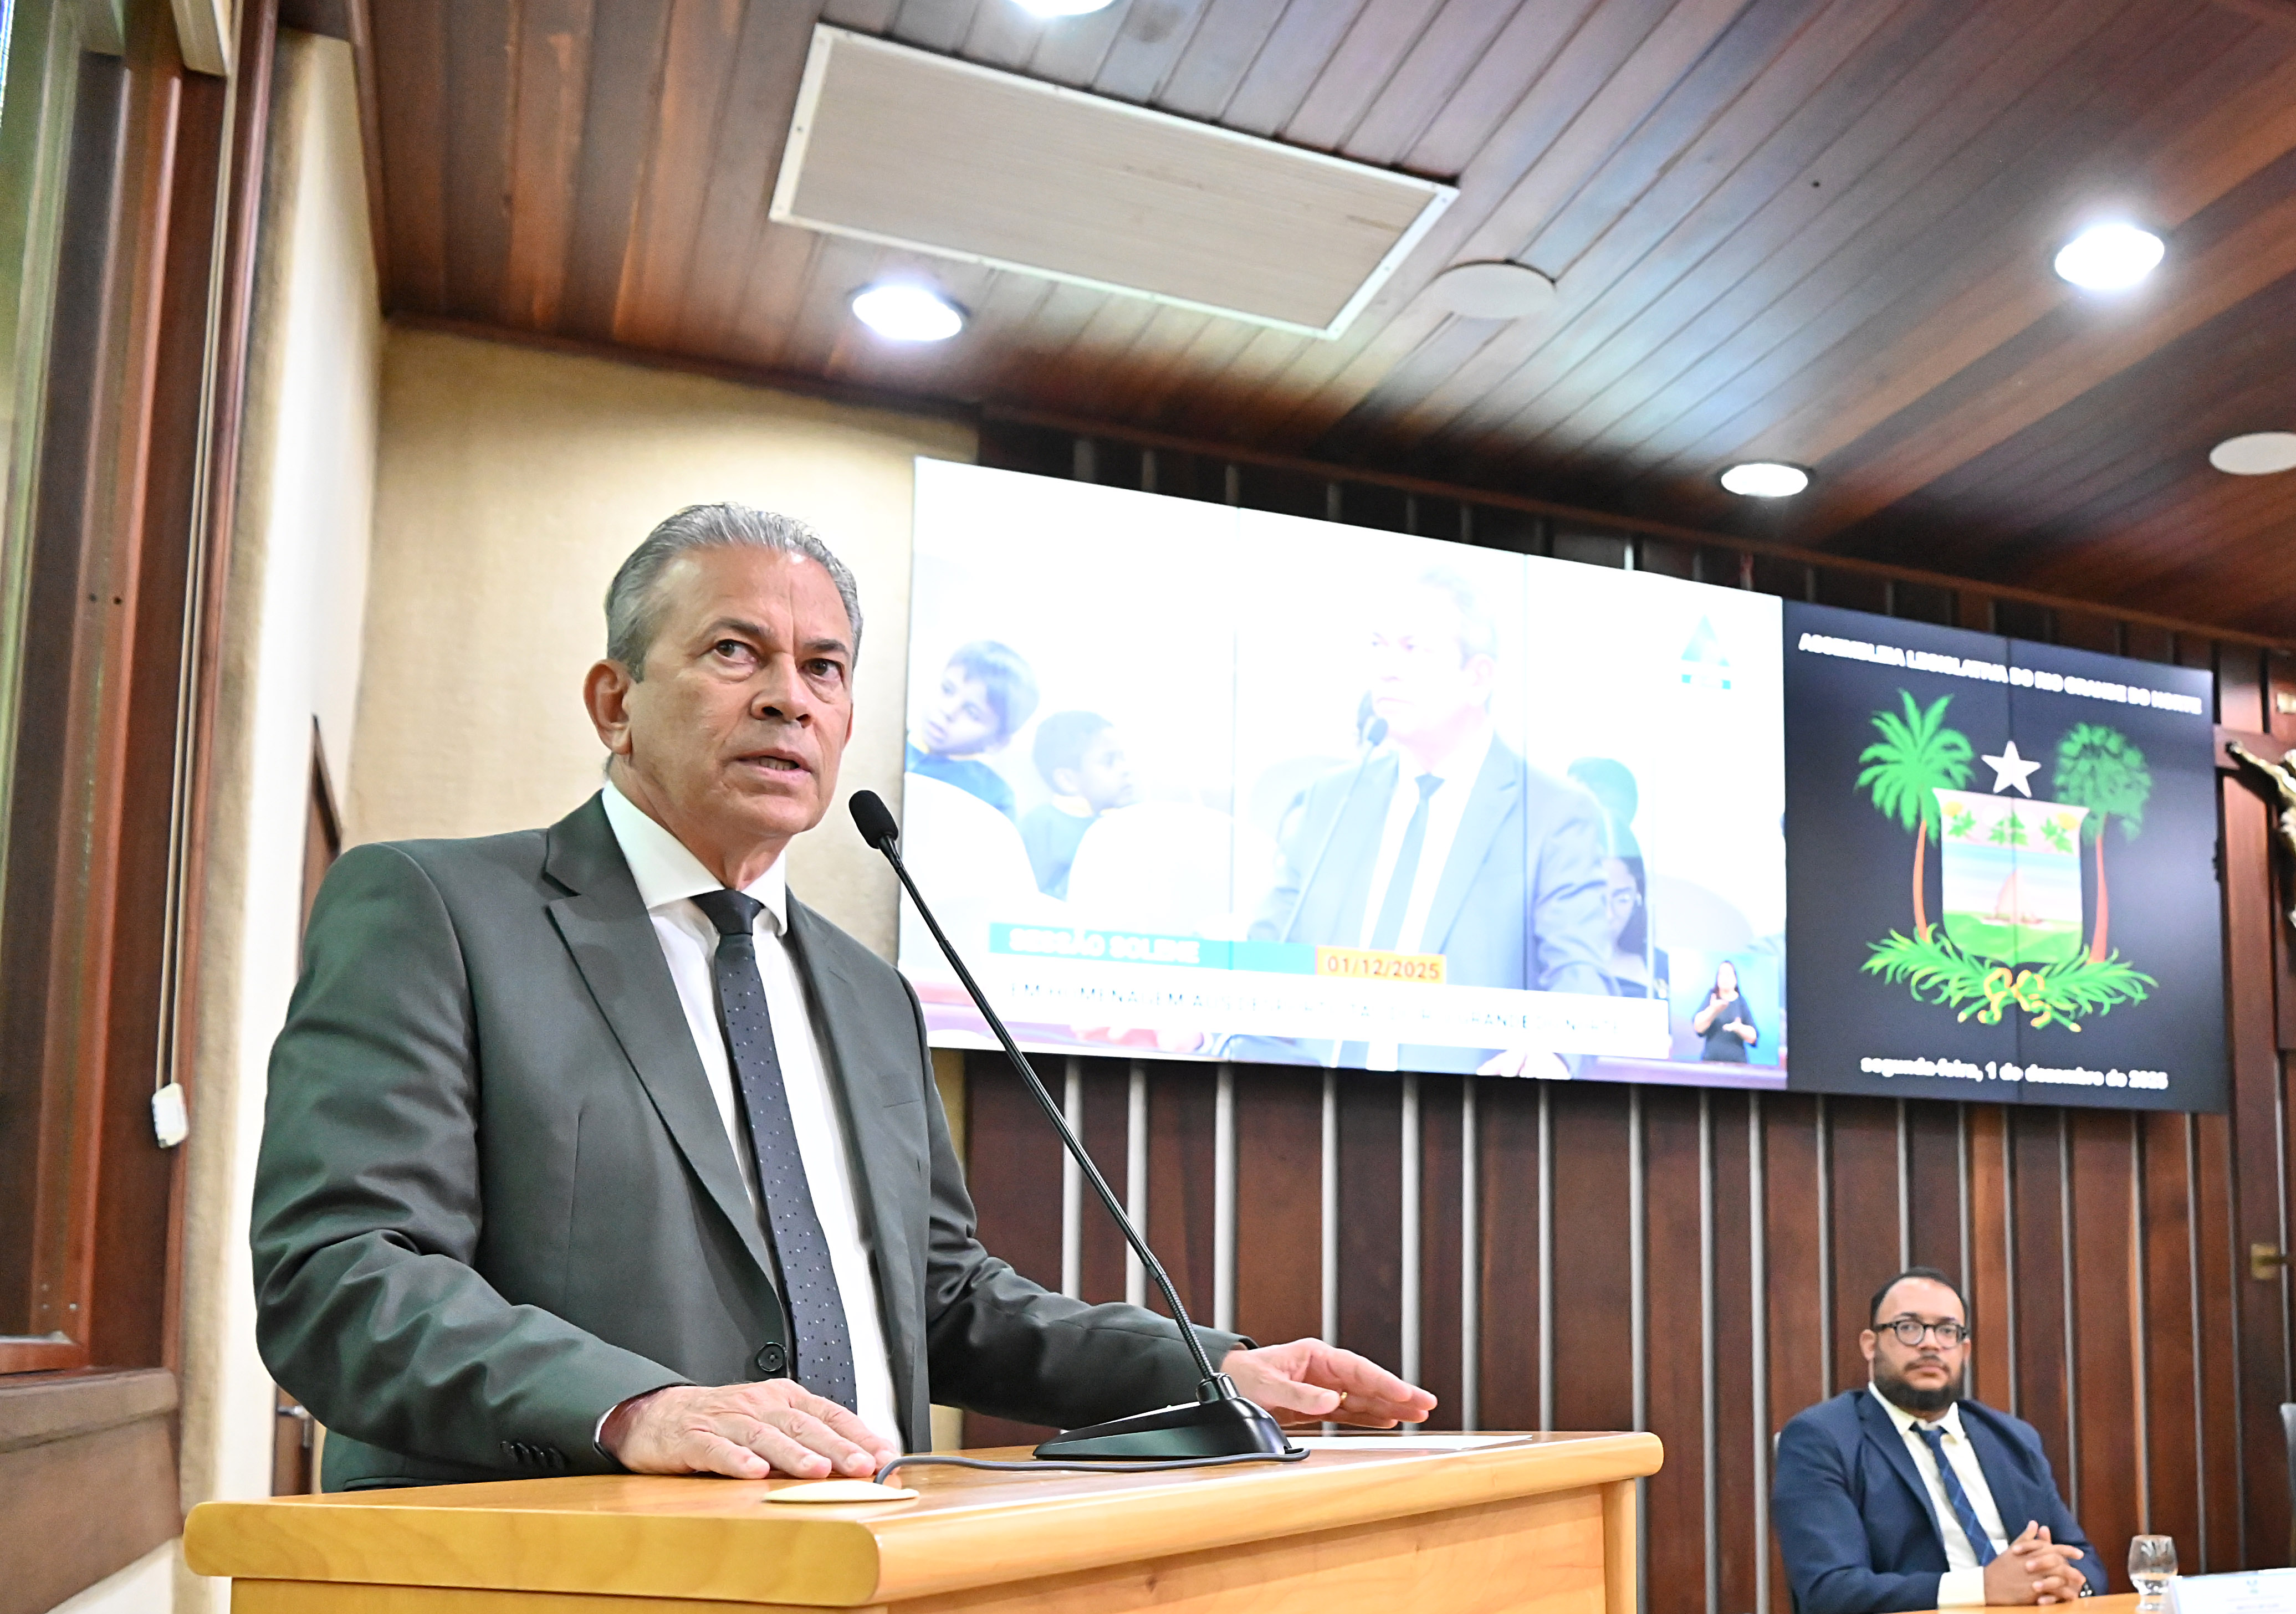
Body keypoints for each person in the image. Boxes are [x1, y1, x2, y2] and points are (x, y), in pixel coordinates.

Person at [254, 503, 1431, 1490]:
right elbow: (342, 1273)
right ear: (615, 702)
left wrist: (1210, 1369)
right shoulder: (439, 911)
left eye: (823, 668)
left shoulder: (871, 994)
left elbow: (944, 1299)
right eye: (735, 653)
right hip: (550, 1592)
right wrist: (633, 1406)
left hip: (857, 1577)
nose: (789, 698)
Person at [1239, 570, 1608, 1072]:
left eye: (1414, 649)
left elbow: (1579, 975)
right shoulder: (1333, 798)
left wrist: (1553, 1056)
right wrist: (1206, 1018)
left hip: (1467, 1105)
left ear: (1477, 677)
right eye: (1378, 646)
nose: (1387, 669)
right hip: (1308, 1102)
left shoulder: (1553, 813)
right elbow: (1269, 950)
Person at [1770, 1270, 2106, 1614]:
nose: (1931, 1343)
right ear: (1871, 1344)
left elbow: (2084, 1559)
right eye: (1909, 1327)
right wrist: (1983, 1588)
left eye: (1948, 1331)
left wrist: (2067, 1579)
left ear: (1965, 1350)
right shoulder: (1824, 1438)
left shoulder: (2011, 1438)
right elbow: (1830, 1592)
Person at [908, 639, 1038, 817]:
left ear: (998, 742)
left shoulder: (995, 797)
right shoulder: (886, 742)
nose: (947, 710)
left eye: (972, 713)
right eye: (947, 690)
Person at [1019, 709, 1127, 899]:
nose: (1125, 769)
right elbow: (1028, 896)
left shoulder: (1124, 823)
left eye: (1123, 758)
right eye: (1109, 761)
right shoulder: (1041, 824)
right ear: (1067, 780)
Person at [1692, 959, 1758, 1063]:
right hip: (1710, 1063)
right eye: (1721, 974)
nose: (1725, 978)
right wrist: (1714, 1010)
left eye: (1728, 975)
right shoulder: (1712, 998)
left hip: (1737, 1065)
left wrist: (1738, 1028)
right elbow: (1698, 1028)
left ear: (1735, 979)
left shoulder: (1741, 1001)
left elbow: (1753, 1037)